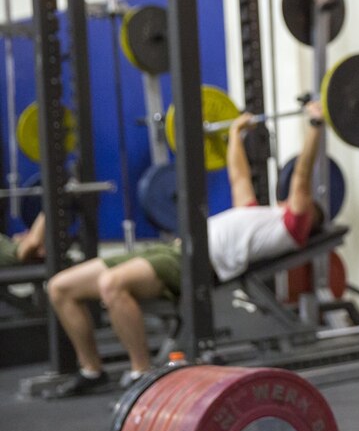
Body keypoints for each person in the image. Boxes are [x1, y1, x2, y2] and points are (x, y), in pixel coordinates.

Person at [47, 101, 327, 397]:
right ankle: (91, 371)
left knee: (110, 285)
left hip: (196, 263)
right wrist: (234, 133)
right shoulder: (257, 213)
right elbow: (239, 176)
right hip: (172, 249)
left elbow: (301, 177)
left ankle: (141, 373)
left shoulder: (291, 228)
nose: (293, 200)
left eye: (304, 206)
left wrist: (315, 126)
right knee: (60, 287)